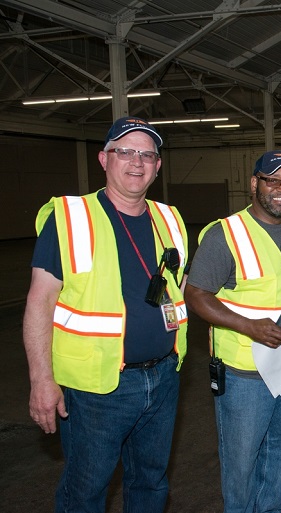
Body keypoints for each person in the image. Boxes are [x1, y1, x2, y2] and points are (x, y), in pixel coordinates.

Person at [23, 116, 188, 512]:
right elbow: (39, 303)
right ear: (104, 158)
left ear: (158, 166)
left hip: (163, 376)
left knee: (151, 483)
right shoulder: (70, 218)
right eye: (125, 151)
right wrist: (41, 379)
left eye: (147, 154)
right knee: (86, 492)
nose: (136, 162)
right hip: (98, 389)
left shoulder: (170, 219)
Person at [184, 150, 281, 513]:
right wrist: (248, 326)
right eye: (273, 180)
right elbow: (195, 295)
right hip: (245, 372)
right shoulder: (225, 233)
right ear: (254, 183)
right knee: (241, 464)